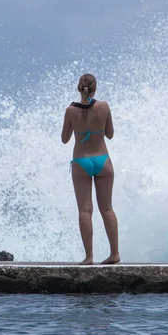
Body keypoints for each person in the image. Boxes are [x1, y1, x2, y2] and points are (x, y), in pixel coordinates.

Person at [61, 73, 120, 265]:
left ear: (79, 88)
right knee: (107, 208)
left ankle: (89, 257)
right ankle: (114, 254)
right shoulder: (103, 107)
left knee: (85, 211)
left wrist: (79, 128)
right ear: (95, 88)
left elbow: (64, 139)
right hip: (103, 161)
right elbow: (110, 134)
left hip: (81, 162)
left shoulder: (71, 110)